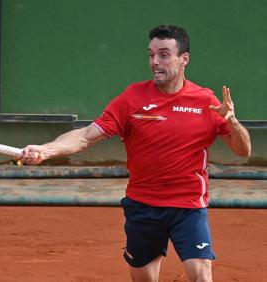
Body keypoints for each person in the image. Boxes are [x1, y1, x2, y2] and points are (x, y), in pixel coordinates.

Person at [20, 25, 251, 282]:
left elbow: (243, 151)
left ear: (184, 58)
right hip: (143, 206)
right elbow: (85, 136)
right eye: (151, 54)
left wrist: (233, 122)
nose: (155, 62)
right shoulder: (133, 98)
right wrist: (47, 149)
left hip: (188, 206)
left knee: (201, 275)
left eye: (163, 54)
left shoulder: (206, 101)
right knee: (143, 278)